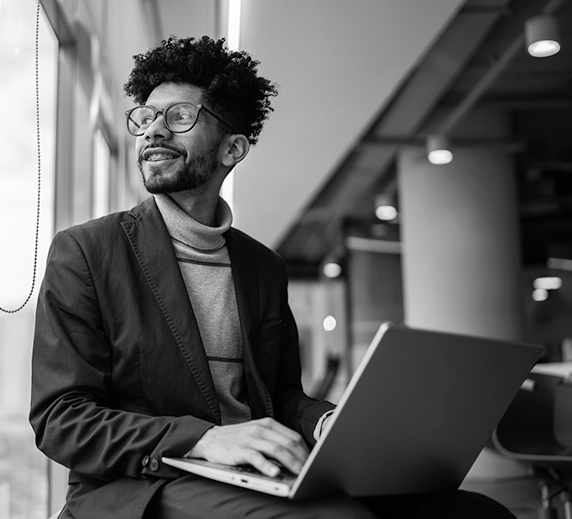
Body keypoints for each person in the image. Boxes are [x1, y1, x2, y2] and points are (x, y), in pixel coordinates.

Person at [29, 35, 513, 519]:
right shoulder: (88, 251)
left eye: (178, 117)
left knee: (474, 512)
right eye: (145, 116)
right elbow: (61, 419)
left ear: (231, 148)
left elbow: (280, 397)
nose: (153, 131)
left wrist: (327, 424)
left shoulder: (262, 267)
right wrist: (205, 439)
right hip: (144, 486)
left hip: (255, 473)